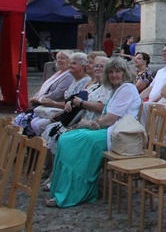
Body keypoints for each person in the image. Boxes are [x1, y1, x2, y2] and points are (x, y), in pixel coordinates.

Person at [46, 57, 141, 208]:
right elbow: (105, 115)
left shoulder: (127, 89)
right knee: (65, 137)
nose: (114, 75)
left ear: (125, 73)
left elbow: (109, 119)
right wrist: (89, 124)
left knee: (73, 141)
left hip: (117, 135)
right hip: (108, 129)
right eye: (110, 72)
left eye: (118, 71)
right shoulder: (116, 89)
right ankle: (61, 187)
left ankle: (75, 193)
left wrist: (89, 124)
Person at [40, 55, 111, 175]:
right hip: (82, 118)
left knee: (61, 137)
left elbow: (101, 107)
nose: (97, 68)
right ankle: (55, 171)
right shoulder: (93, 85)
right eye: (96, 66)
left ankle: (62, 173)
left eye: (101, 66)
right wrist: (70, 103)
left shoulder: (107, 87)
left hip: (94, 122)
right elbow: (78, 99)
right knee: (51, 131)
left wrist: (81, 103)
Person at [29, 52, 91, 137]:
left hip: (71, 116)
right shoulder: (74, 81)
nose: (70, 65)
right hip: (62, 111)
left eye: (73, 63)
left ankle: (44, 147)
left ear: (83, 67)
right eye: (70, 63)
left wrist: (52, 103)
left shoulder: (85, 82)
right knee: (34, 121)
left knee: (39, 124)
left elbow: (72, 104)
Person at [14, 50, 74, 133]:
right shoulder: (58, 73)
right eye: (58, 58)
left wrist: (38, 99)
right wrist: (36, 96)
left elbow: (56, 95)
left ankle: (30, 142)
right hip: (42, 105)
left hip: (51, 106)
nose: (59, 60)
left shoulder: (69, 75)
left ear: (70, 60)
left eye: (62, 58)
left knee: (24, 120)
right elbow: (42, 89)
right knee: (20, 119)